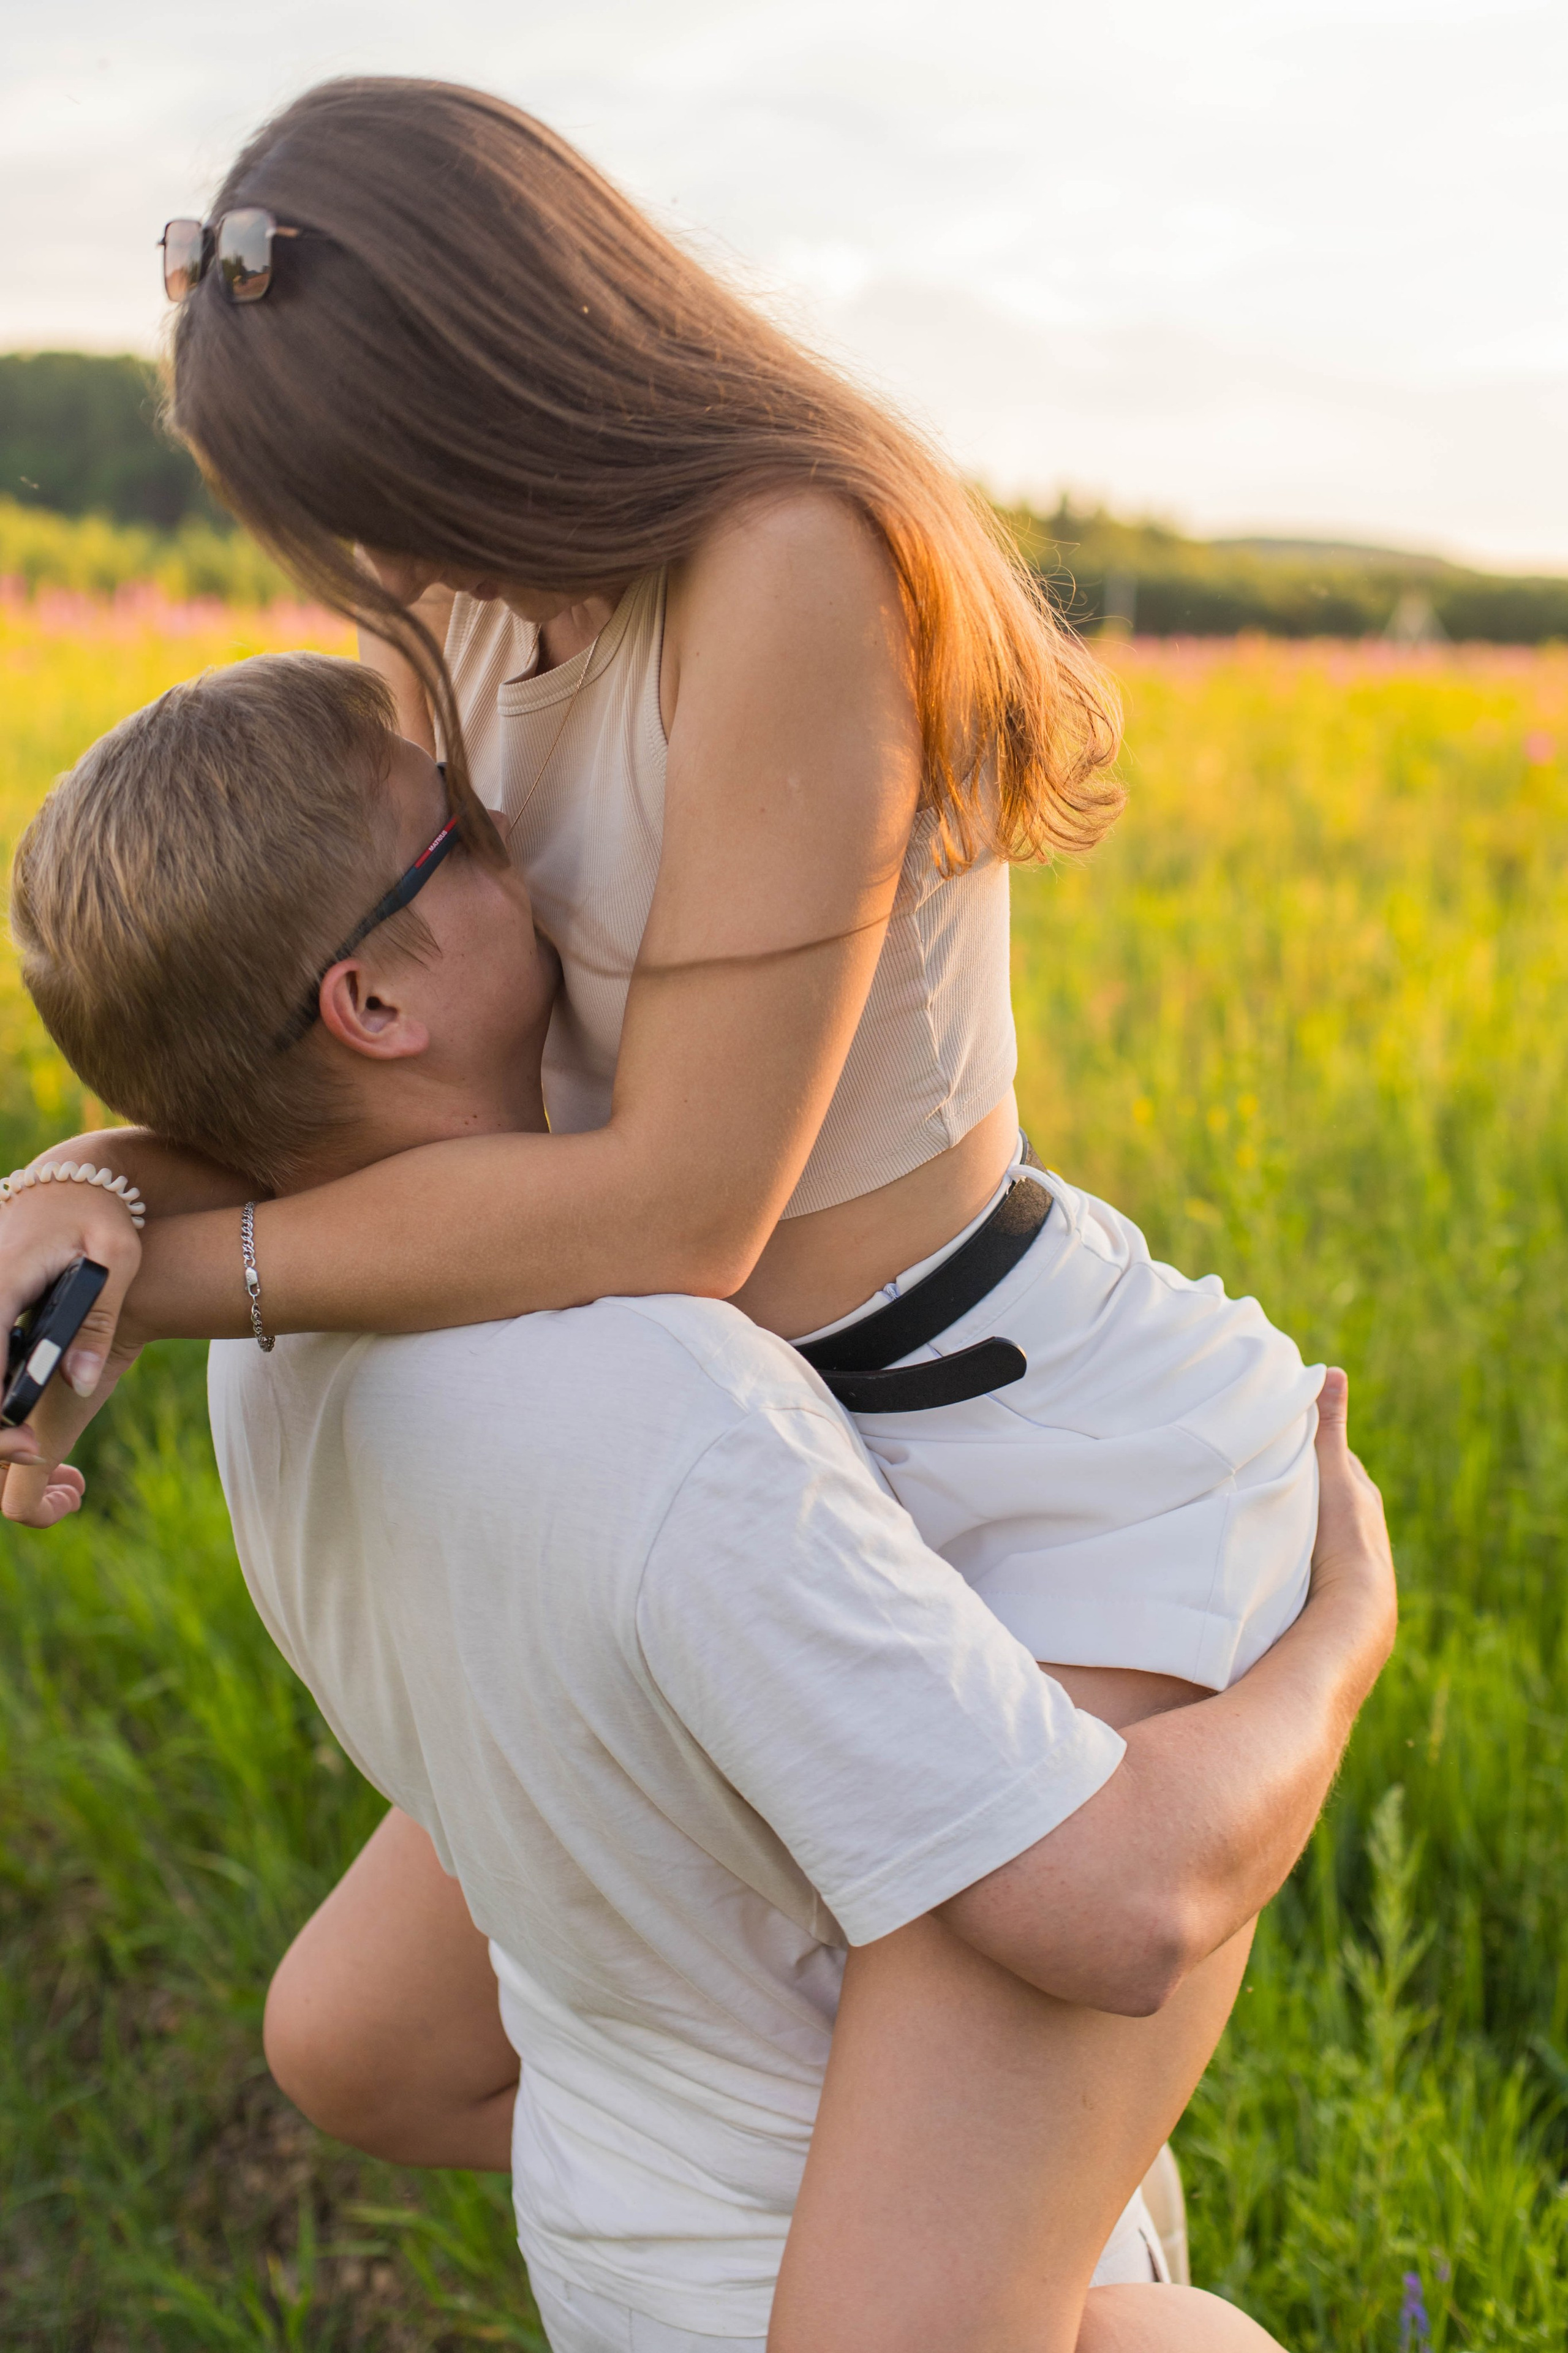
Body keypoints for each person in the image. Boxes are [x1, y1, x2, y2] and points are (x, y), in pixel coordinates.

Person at [4, 660, 1397, 2352]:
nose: (519, 830)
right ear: (371, 1001)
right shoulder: (664, 1401)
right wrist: (1338, 1636)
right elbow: (1120, 1910)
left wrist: (86, 1170)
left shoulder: (264, 1361)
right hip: (842, 2298)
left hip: (616, 2242)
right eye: (458, 831)